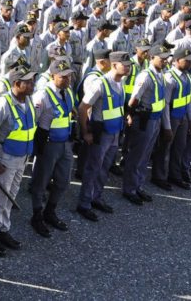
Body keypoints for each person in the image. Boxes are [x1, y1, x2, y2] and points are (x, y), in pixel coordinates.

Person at [0, 65, 36, 257]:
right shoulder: (2, 104)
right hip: (4, 158)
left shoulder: (28, 100)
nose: (32, 84)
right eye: (27, 82)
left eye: (32, 81)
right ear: (16, 83)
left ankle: (3, 228)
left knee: (11, 194)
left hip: (21, 158)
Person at [76, 51, 130, 221]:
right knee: (93, 168)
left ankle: (96, 197)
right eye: (125, 65)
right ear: (114, 65)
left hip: (114, 133)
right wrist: (85, 132)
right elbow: (83, 109)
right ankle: (84, 203)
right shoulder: (100, 83)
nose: (128, 68)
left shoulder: (121, 82)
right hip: (101, 134)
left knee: (105, 168)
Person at [29, 60, 76, 237]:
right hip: (48, 144)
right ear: (52, 76)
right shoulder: (42, 96)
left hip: (65, 143)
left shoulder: (68, 92)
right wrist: (36, 147)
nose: (67, 79)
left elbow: (69, 114)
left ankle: (50, 210)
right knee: (40, 182)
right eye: (62, 77)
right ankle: (37, 215)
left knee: (63, 181)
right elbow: (33, 121)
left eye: (69, 76)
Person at [123, 45, 170, 206]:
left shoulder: (161, 74)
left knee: (145, 156)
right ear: (152, 57)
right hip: (144, 119)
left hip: (155, 120)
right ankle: (129, 189)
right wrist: (130, 114)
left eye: (166, 58)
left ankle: (138, 186)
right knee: (137, 155)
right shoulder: (145, 76)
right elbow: (134, 99)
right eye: (161, 57)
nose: (165, 60)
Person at [153, 47, 191, 190]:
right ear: (177, 60)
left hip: (183, 117)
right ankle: (159, 176)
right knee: (165, 148)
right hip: (171, 117)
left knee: (179, 147)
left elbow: (188, 99)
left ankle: (174, 175)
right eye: (187, 61)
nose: (190, 63)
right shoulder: (169, 78)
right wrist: (166, 127)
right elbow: (165, 104)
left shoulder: (187, 77)